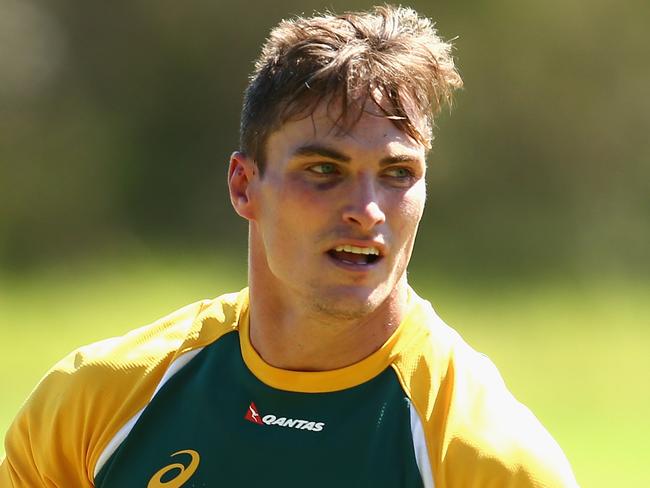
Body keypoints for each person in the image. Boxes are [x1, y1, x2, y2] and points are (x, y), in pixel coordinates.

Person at [1, 5, 578, 487]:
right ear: (244, 186)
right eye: (325, 169)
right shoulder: (94, 405)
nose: (368, 209)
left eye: (398, 173)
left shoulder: (490, 461)